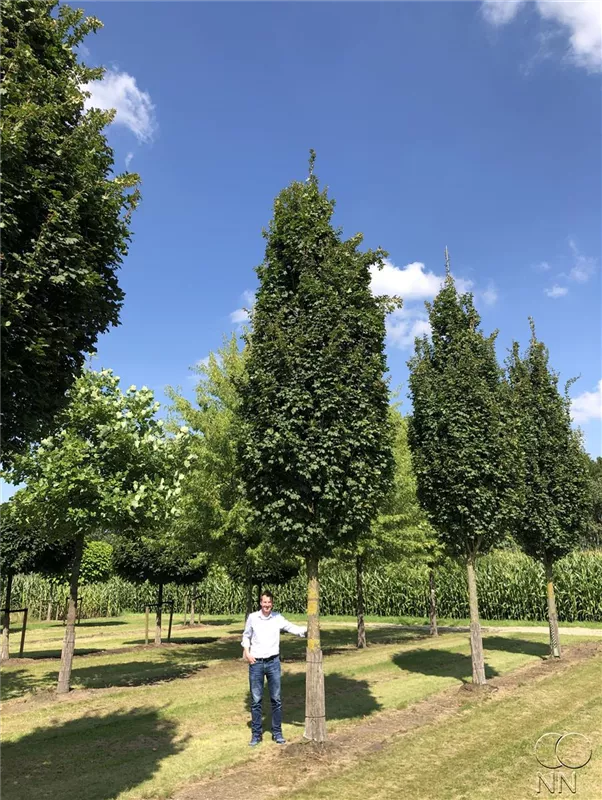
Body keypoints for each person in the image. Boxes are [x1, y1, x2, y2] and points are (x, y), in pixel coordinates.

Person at [241, 590, 307, 746]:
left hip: (273, 662)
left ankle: (277, 733)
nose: (267, 605)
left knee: (276, 699)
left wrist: (307, 628)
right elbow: (246, 635)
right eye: (264, 602)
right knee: (256, 700)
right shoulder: (253, 618)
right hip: (256, 663)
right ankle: (256, 735)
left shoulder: (277, 618)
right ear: (260, 603)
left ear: (272, 604)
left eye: (269, 603)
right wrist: (247, 652)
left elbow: (292, 628)